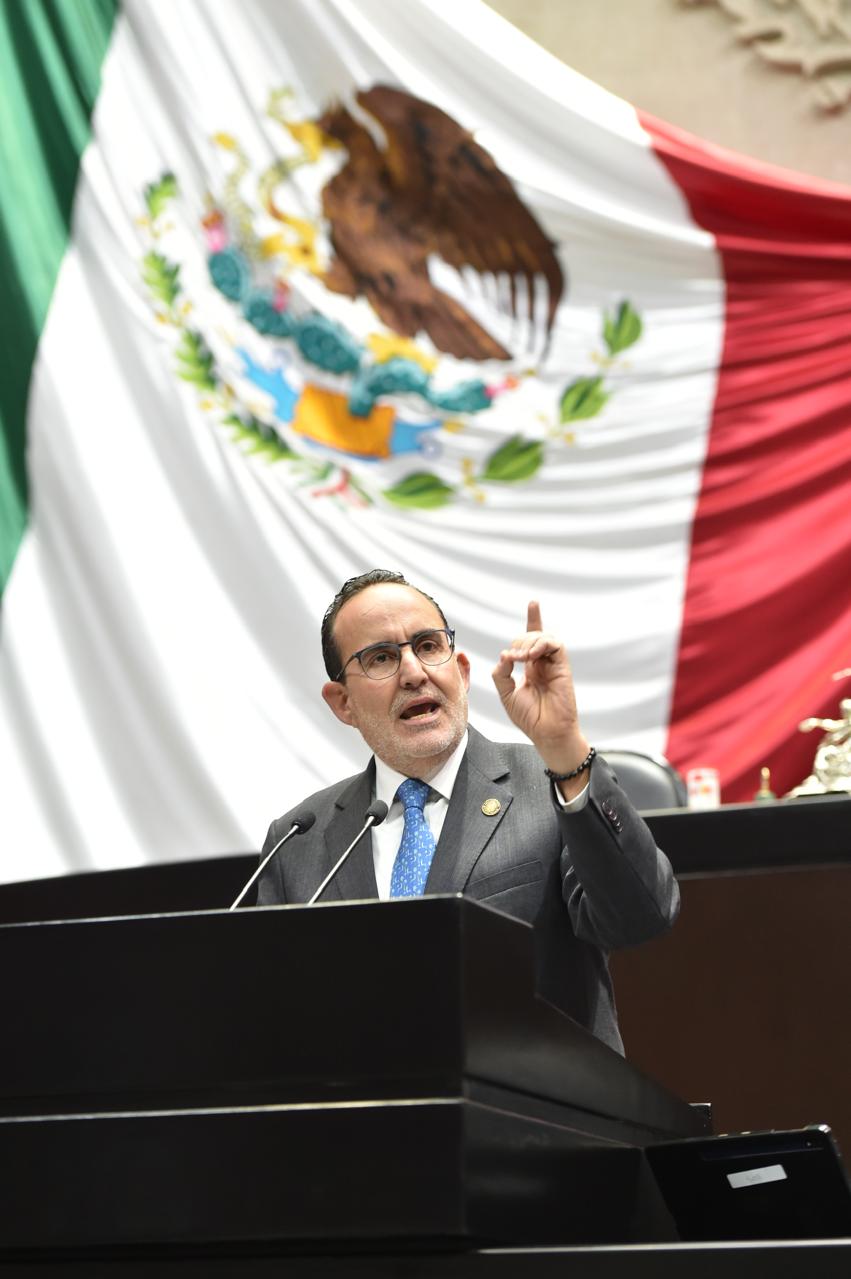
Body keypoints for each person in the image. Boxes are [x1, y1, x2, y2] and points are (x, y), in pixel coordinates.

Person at [256, 569, 679, 1054]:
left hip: (537, 1099)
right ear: (343, 703)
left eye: (428, 646)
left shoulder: (551, 783)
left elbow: (639, 918)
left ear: (460, 669)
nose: (414, 673)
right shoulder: (300, 841)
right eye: (381, 658)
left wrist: (565, 749)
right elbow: (271, 1019)